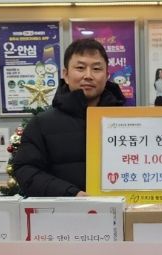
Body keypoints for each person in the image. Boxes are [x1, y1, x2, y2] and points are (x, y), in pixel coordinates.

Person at [12, 38, 125, 196]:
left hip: (121, 209)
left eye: (96, 69)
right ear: (65, 74)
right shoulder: (42, 124)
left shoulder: (128, 122)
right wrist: (71, 194)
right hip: (65, 209)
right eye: (80, 68)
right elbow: (26, 170)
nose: (88, 75)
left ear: (106, 76)